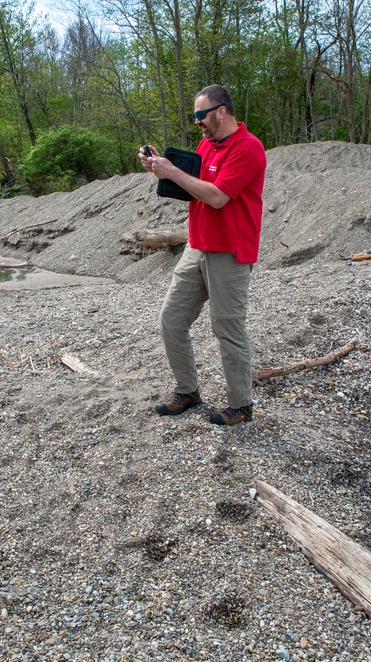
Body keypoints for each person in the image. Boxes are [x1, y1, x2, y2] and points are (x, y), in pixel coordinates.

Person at [139, 84, 267, 425]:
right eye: (195, 116)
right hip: (198, 245)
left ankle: (241, 405)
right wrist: (159, 169)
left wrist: (172, 171)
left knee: (228, 328)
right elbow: (193, 189)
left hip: (230, 251)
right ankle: (187, 391)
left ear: (221, 111)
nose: (197, 122)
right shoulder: (206, 146)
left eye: (201, 115)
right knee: (171, 319)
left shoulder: (248, 148)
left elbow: (217, 197)